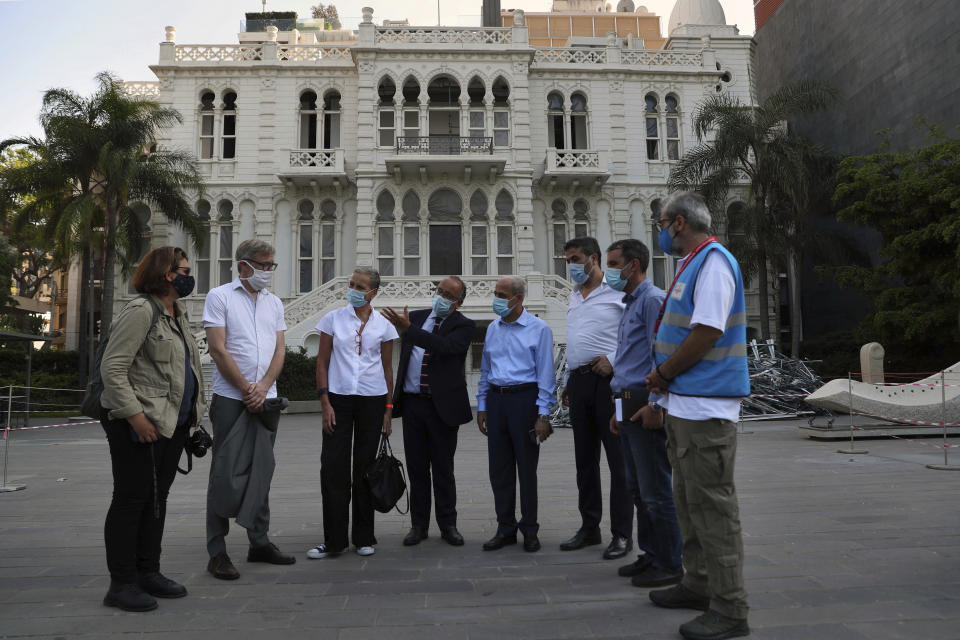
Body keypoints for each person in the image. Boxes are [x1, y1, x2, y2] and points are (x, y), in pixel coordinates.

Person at [646, 192, 751, 640]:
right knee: (690, 503)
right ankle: (698, 583)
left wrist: (664, 373)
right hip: (686, 404)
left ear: (680, 222)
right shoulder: (693, 262)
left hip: (706, 407)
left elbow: (707, 331)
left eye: (663, 221)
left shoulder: (714, 262)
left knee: (712, 507)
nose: (660, 229)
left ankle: (730, 609)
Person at [99, 246, 204, 611]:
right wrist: (135, 416)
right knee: (132, 500)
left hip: (171, 424)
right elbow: (113, 368)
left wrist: (193, 416)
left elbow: (184, 370)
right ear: (164, 273)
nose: (189, 276)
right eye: (183, 270)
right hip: (140, 424)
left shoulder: (177, 313)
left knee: (156, 501)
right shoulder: (141, 310)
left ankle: (149, 571)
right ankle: (122, 582)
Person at [203, 239, 294, 580]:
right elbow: (218, 349)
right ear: (243, 265)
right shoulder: (220, 296)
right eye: (263, 265)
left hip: (266, 397)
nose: (269, 271)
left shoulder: (273, 302)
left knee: (262, 469)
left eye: (272, 265)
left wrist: (265, 384)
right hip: (230, 397)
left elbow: (280, 348)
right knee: (223, 472)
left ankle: (259, 541)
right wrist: (245, 388)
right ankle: (217, 551)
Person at [605, 239, 683, 589]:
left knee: (655, 490)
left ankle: (670, 563)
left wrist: (656, 404)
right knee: (637, 488)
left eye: (613, 264)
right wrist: (617, 408)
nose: (609, 271)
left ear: (633, 266)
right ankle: (651, 554)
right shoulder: (631, 302)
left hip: (645, 398)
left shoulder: (652, 300)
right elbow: (628, 359)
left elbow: (663, 354)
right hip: (626, 399)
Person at [308, 266, 399, 559]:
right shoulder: (332, 319)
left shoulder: (384, 325)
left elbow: (387, 368)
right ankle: (333, 540)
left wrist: (388, 409)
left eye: (360, 287)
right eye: (351, 284)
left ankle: (363, 535)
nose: (354, 290)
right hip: (338, 399)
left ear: (373, 292)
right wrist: (325, 404)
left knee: (365, 468)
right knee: (333, 468)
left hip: (372, 401)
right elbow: (322, 363)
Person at [383, 277, 475, 547]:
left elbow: (445, 348)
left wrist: (409, 330)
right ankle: (418, 525)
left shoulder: (464, 325)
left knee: (443, 469)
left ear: (459, 302)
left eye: (449, 295)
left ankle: (448, 525)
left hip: (442, 408)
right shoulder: (417, 317)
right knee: (416, 469)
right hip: (413, 404)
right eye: (440, 291)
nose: (442, 297)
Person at [560, 237, 633, 560]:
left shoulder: (618, 292)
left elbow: (637, 334)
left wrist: (614, 359)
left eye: (576, 259)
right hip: (579, 383)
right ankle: (590, 527)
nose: (572, 266)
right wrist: (566, 380)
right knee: (584, 462)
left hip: (609, 384)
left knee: (619, 463)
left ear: (593, 258)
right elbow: (574, 341)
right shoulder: (574, 295)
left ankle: (622, 534)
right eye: (568, 260)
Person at [477, 276, 555, 553]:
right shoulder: (492, 329)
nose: (496, 299)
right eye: (495, 293)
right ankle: (505, 527)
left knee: (526, 469)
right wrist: (483, 404)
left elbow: (546, 374)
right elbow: (486, 368)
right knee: (499, 469)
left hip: (525, 400)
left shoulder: (539, 329)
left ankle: (530, 529)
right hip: (497, 400)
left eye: (502, 294)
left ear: (518, 298)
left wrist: (543, 415)